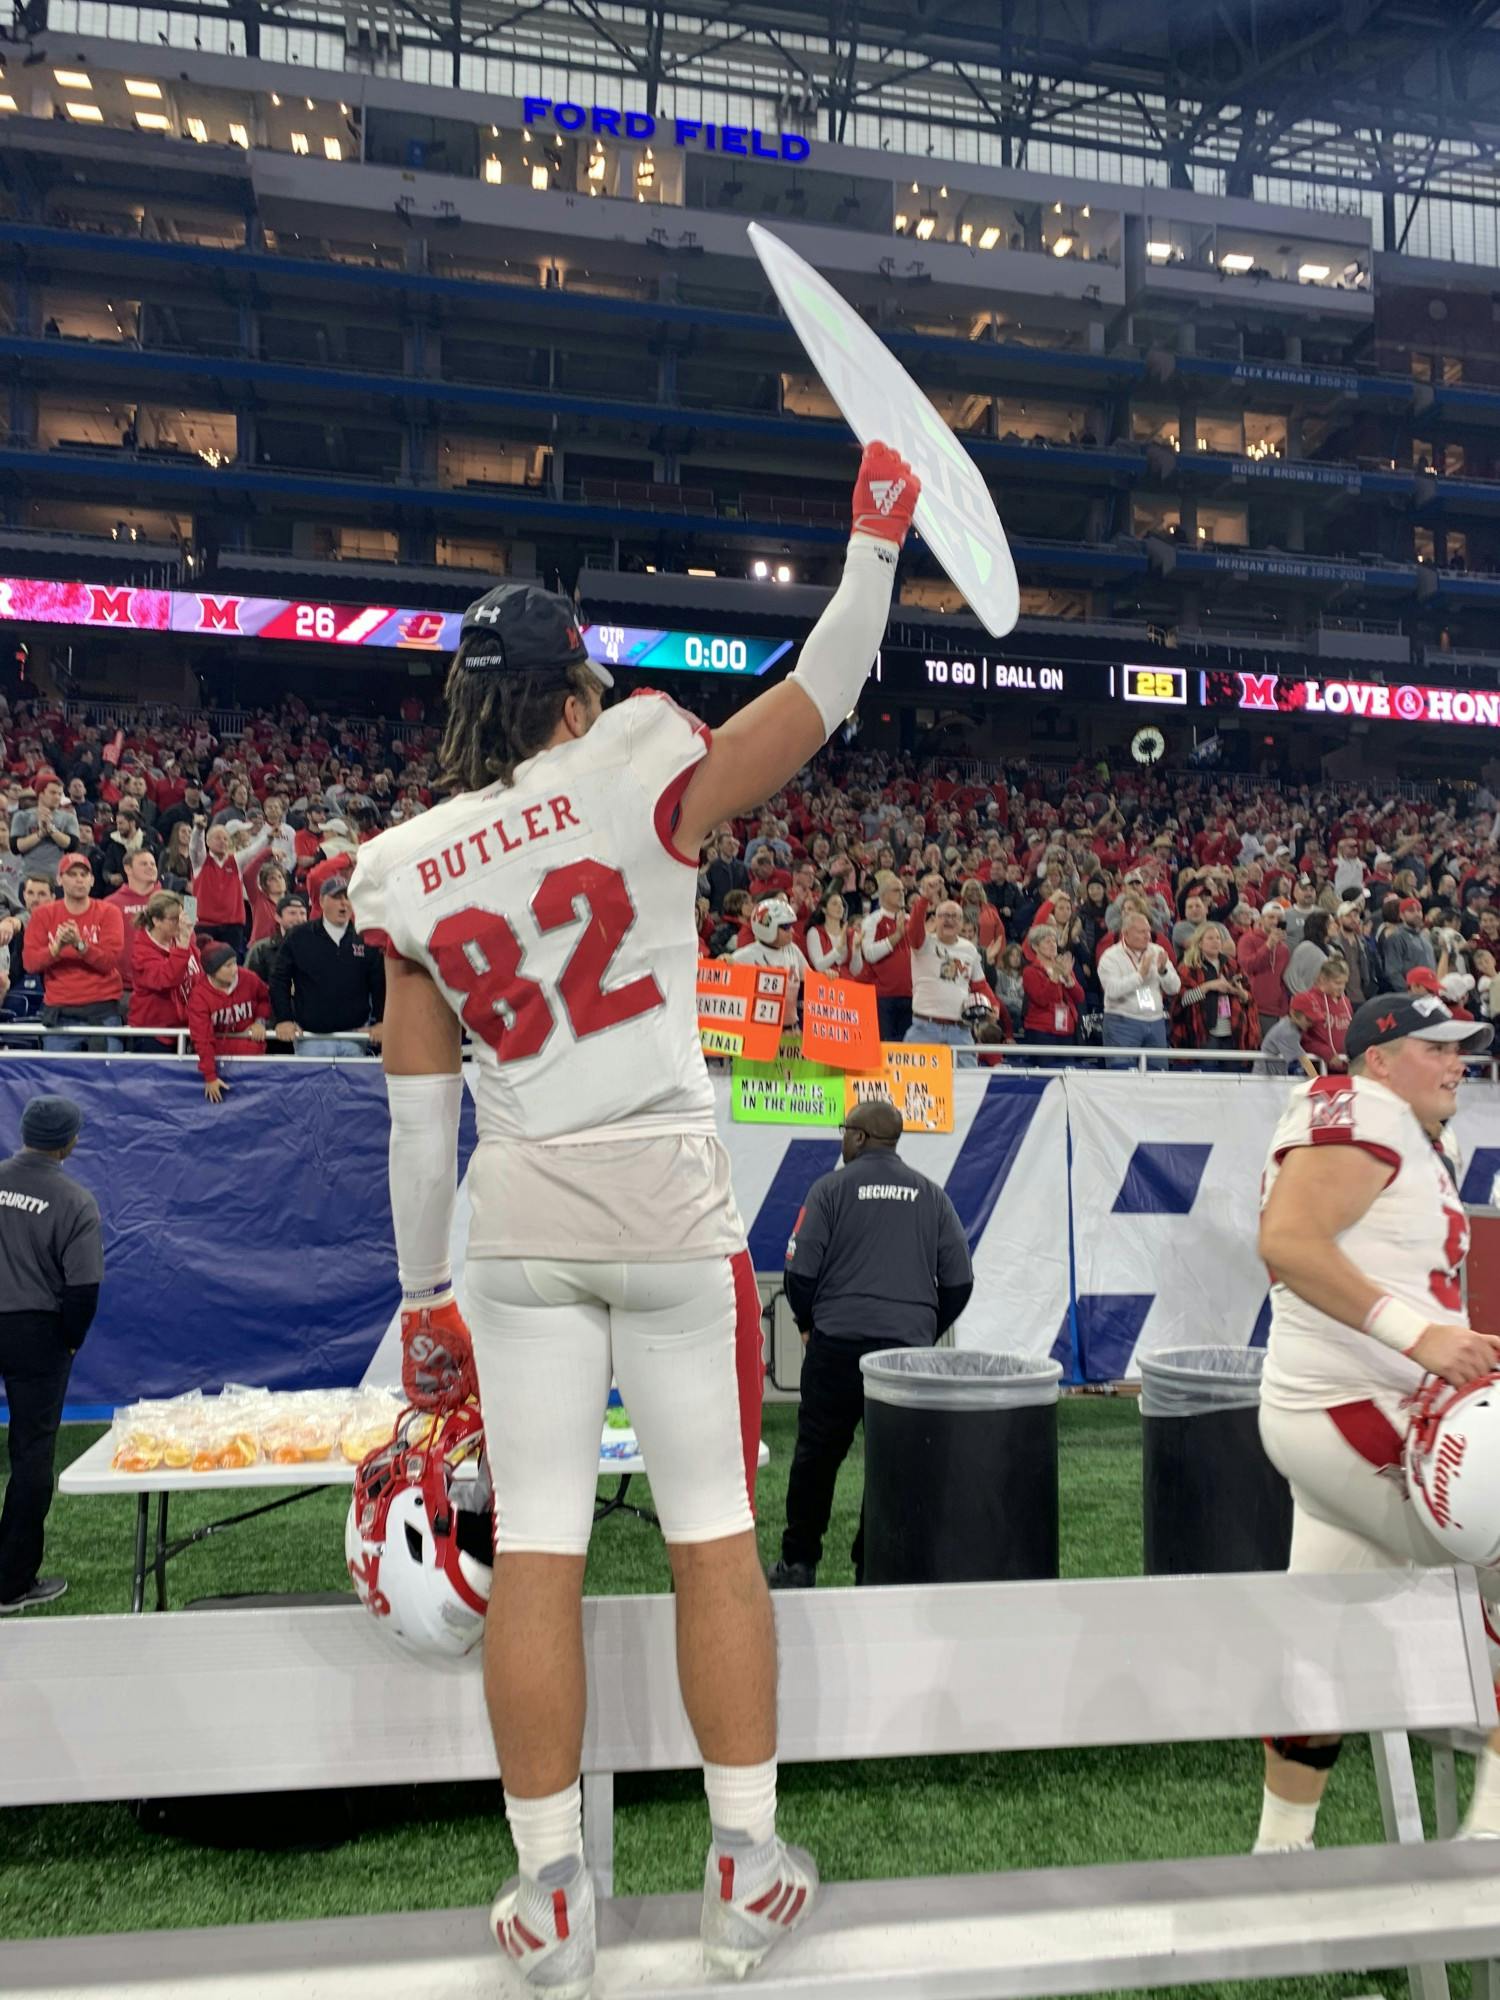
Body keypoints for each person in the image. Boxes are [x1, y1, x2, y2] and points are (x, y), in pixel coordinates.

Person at [346, 441, 919, 1992]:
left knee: (535, 1549)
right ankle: (744, 1867)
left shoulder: (399, 868)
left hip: (518, 1219)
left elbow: (418, 1120)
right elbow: (819, 696)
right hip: (670, 1202)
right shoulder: (636, 758)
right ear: (573, 697)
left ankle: (547, 1892)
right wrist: (872, 544)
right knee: (713, 1544)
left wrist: (423, 1304)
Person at [1254, 992, 1500, 1853]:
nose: (1456, 1062)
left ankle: (1279, 1853)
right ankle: (1492, 1837)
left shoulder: (1418, 1133)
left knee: (1319, 1639)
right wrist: (1421, 1336)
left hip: (1354, 1407)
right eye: (1436, 1046)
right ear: (1379, 1058)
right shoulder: (1360, 1108)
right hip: (1354, 1406)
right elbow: (1287, 1241)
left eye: (1460, 1047)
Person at [769, 1100, 972, 1590]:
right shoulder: (932, 1195)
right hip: (904, 1359)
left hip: (837, 1343)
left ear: (859, 1138)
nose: (842, 1138)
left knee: (816, 1457)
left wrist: (807, 1321)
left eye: (845, 1131)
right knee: (894, 1464)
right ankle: (876, 1566)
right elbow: (960, 1281)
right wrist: (921, 1330)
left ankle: (798, 1565)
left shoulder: (829, 1190)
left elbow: (799, 1271)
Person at [0, 1096, 103, 1614]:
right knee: (31, 1452)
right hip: (35, 1331)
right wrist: (68, 1339)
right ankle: (11, 1582)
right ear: (70, 1142)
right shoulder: (73, 1199)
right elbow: (83, 1289)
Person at [270, 872, 384, 1058]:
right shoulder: (299, 936)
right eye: (337, 897)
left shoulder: (365, 937)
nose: (344, 903)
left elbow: (379, 982)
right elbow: (279, 979)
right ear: (322, 901)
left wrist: (381, 1021)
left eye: (348, 898)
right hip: (311, 1038)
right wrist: (284, 1019)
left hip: (354, 1037)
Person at [22, 852, 125, 1052]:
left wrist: (80, 945)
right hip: (60, 1012)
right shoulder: (43, 915)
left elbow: (110, 961)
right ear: (60, 880)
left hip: (102, 1011)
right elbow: (30, 963)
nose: (79, 879)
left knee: (108, 1077)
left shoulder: (109, 912)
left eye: (84, 875)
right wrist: (56, 949)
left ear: (92, 880)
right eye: (72, 874)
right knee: (57, 1081)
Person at [902, 894, 996, 1064]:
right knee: (918, 1084)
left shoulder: (969, 949)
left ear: (961, 923)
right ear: (935, 920)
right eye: (944, 916)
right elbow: (913, 929)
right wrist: (924, 898)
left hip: (960, 1030)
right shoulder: (923, 943)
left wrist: (993, 1005)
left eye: (954, 917)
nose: (949, 920)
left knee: (967, 1084)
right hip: (925, 1028)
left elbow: (979, 984)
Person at [188, 942, 271, 1102]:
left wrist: (260, 1021)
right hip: (221, 1063)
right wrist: (210, 1076)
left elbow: (264, 999)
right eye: (228, 966)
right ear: (212, 971)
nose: (234, 969)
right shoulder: (200, 996)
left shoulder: (248, 978)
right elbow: (202, 1039)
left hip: (252, 1061)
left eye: (234, 963)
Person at [1098, 909, 1181, 1068]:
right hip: (1122, 1022)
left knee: (1158, 1075)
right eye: (1142, 932)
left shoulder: (1157, 951)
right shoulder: (1110, 956)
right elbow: (1112, 991)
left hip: (1155, 1021)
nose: (1147, 936)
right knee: (1122, 1074)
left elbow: (1174, 988)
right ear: (1126, 933)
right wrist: (1139, 976)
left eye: (1148, 931)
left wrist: (1163, 972)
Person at [129, 891, 199, 1051]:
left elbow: (197, 979)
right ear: (156, 921)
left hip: (184, 1030)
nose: (181, 924)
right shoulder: (142, 952)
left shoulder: (184, 941)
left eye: (182, 917)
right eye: (174, 919)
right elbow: (166, 979)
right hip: (154, 1034)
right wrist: (182, 947)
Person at [856, 869, 914, 1044]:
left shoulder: (910, 920)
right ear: (883, 895)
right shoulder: (873, 920)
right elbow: (869, 954)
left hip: (910, 994)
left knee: (907, 1048)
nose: (902, 894)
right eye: (897, 890)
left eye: (903, 890)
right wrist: (896, 936)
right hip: (883, 997)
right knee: (883, 1046)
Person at [1020, 923, 1085, 1048]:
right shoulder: (1030, 971)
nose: (1053, 945)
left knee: (1068, 1067)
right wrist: (1055, 977)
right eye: (1047, 942)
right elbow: (1042, 1000)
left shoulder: (1064, 968)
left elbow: (1080, 997)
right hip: (1042, 1031)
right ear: (1035, 946)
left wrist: (1067, 977)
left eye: (1054, 941)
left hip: (1066, 1028)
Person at [10, 776, 79, 885]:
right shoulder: (22, 816)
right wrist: (40, 834)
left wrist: (51, 829)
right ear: (41, 794)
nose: (57, 797)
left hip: (57, 880)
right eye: (53, 793)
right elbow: (16, 847)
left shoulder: (69, 818)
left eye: (59, 794)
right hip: (27, 878)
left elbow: (72, 845)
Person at [1294, 959, 1352, 1073]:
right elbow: (1302, 1039)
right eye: (1337, 983)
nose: (1342, 987)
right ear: (1324, 980)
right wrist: (1326, 1053)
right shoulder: (1309, 1000)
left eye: (1344, 983)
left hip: (1346, 1066)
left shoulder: (1346, 1002)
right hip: (1321, 1067)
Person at [246, 890, 309, 986]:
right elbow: (249, 985)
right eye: (292, 913)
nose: (299, 919)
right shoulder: (261, 949)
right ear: (278, 917)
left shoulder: (315, 946)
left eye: (302, 913)